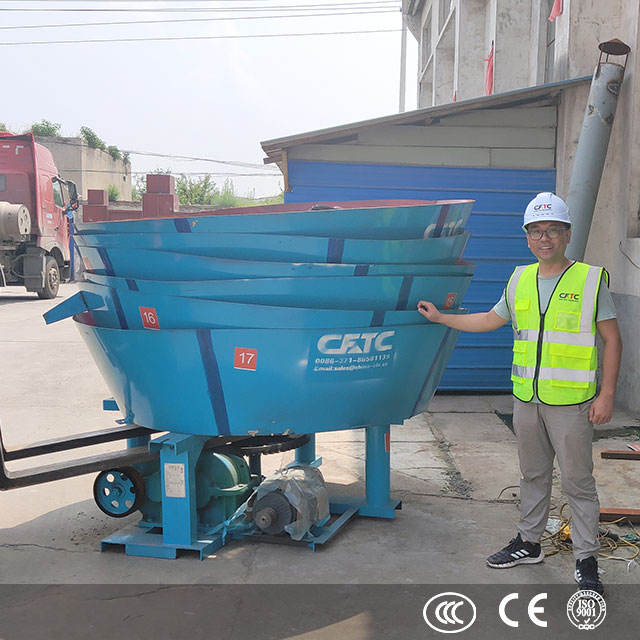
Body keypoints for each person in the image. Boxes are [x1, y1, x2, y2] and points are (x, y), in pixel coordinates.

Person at [418, 192, 622, 595]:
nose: (544, 238)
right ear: (527, 237)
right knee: (533, 476)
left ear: (567, 234)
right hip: (527, 401)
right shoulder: (519, 279)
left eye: (552, 230)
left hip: (572, 404)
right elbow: (489, 320)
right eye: (536, 231)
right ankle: (529, 543)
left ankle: (586, 559)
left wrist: (607, 395)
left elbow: (612, 340)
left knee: (578, 483)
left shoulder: (590, 280)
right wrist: (442, 318)